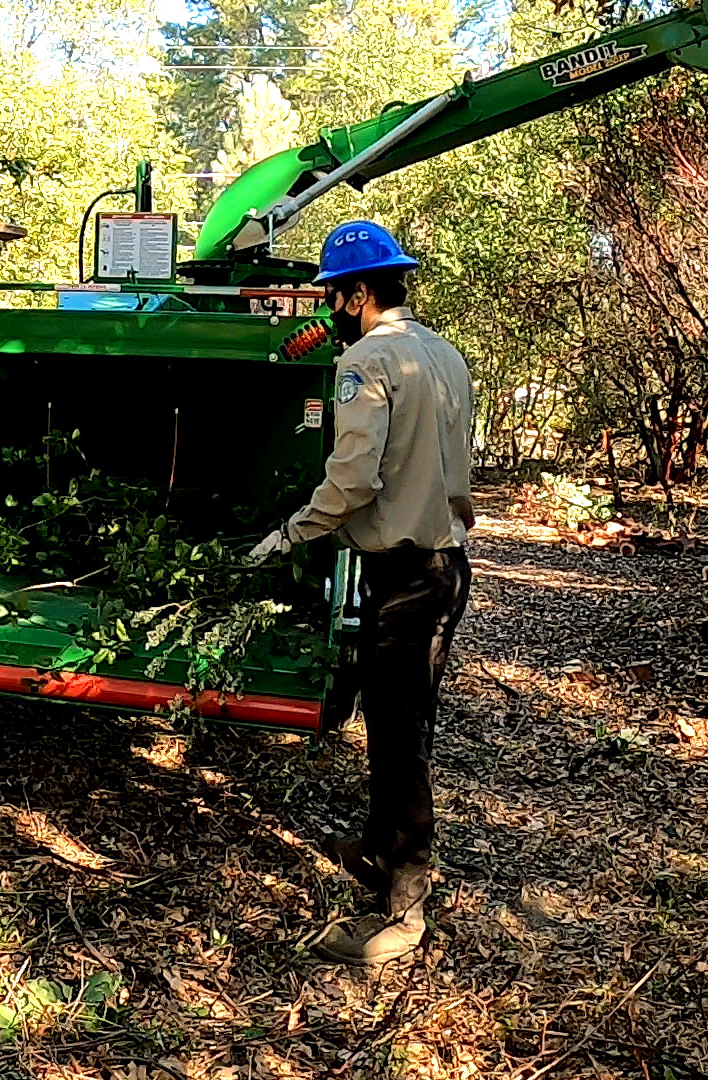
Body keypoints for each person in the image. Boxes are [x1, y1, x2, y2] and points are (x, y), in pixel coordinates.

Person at [248, 221, 475, 965]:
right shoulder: (445, 355)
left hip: (406, 575)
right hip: (445, 567)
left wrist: (291, 534)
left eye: (335, 297)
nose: (332, 312)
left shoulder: (367, 360)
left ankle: (403, 909)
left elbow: (354, 477)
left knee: (399, 735)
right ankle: (381, 849)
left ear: (359, 293)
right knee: (397, 720)